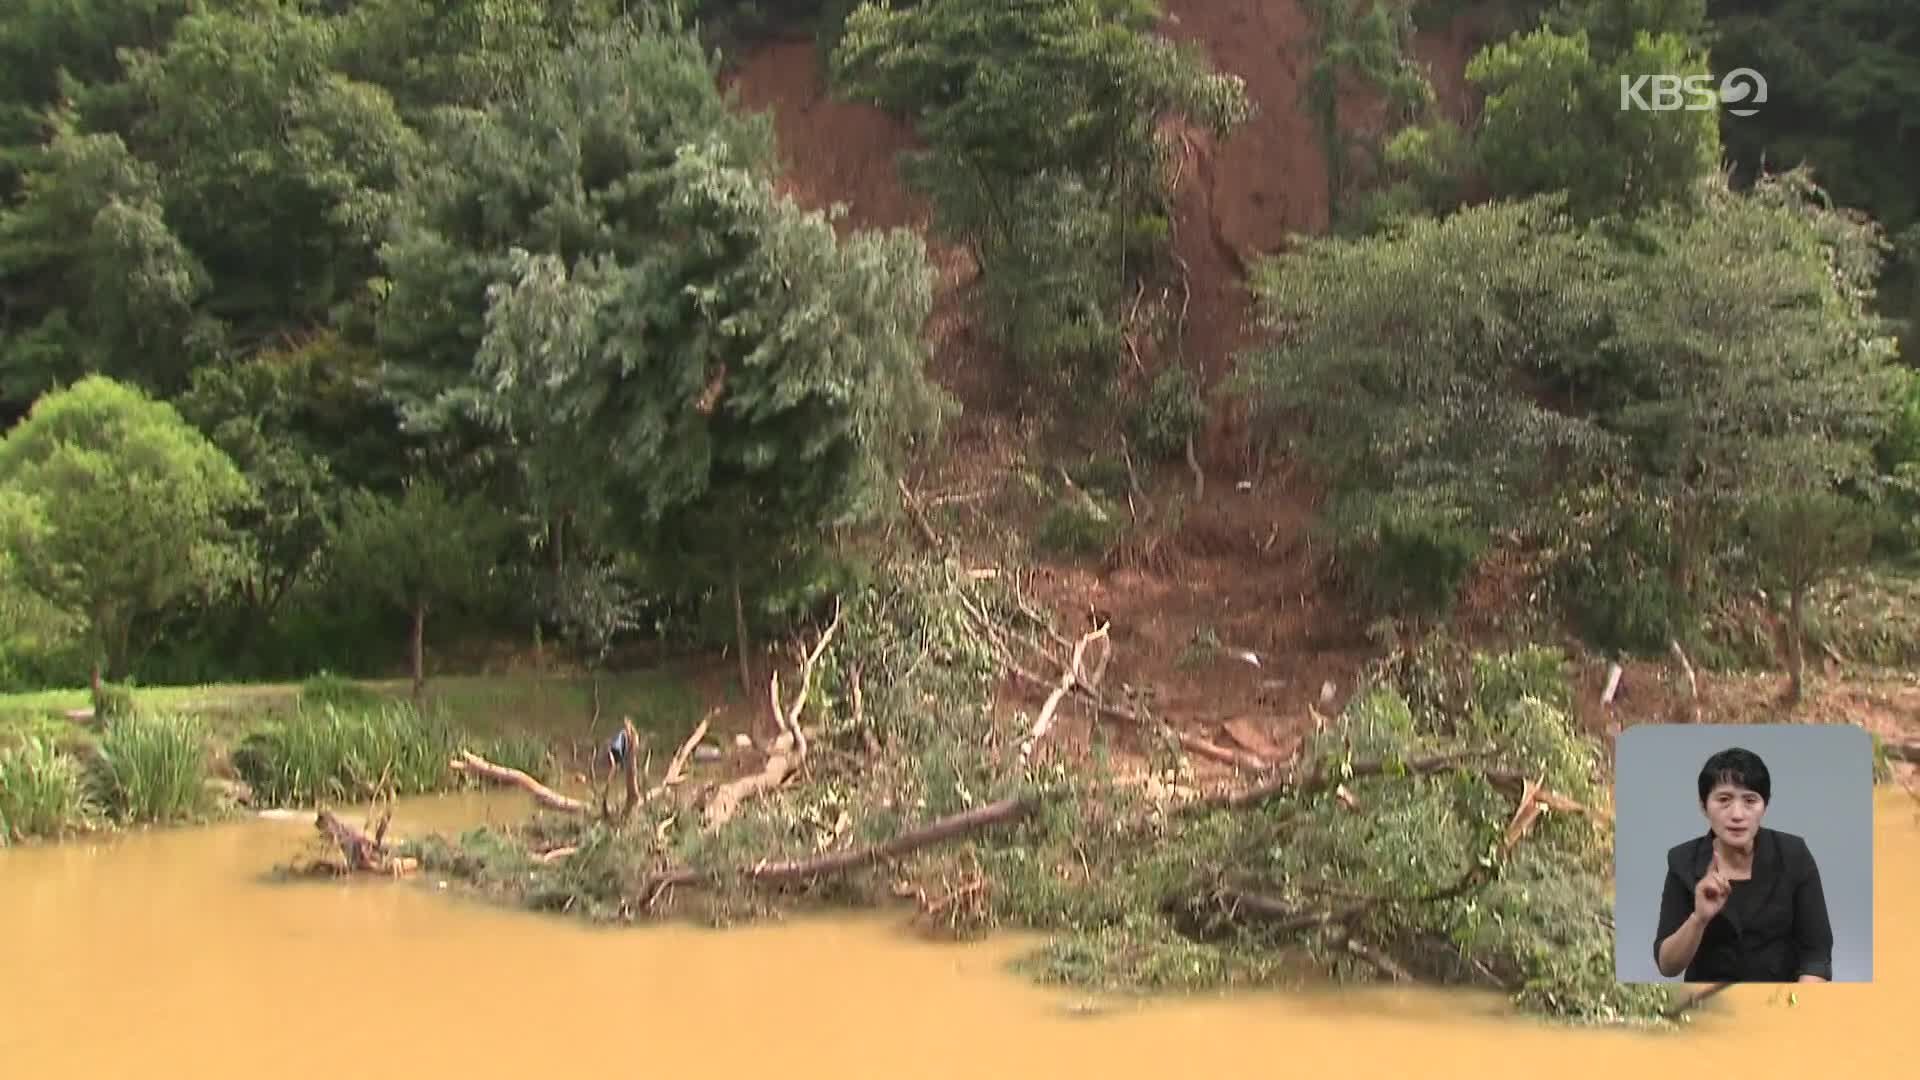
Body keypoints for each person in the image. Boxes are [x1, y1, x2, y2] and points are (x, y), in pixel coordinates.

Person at [1652, 747, 1834, 983]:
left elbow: (1816, 954)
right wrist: (1699, 919)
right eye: (1724, 800)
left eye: (1750, 800)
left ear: (1764, 806)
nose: (1737, 814)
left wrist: (1799, 1009)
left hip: (1782, 1000)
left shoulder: (1793, 854)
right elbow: (1667, 965)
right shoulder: (1682, 861)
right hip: (1709, 1004)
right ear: (1703, 805)